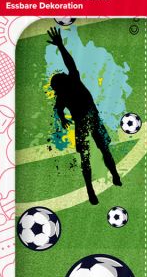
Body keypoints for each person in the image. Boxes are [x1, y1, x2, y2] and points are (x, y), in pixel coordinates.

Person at [47, 26, 121, 205]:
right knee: (101, 151)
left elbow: (58, 109)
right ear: (62, 81)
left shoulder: (64, 92)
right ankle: (110, 178)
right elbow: (70, 64)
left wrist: (63, 118)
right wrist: (60, 46)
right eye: (62, 75)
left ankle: (95, 186)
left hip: (85, 121)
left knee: (88, 156)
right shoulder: (72, 83)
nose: (64, 73)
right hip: (90, 119)